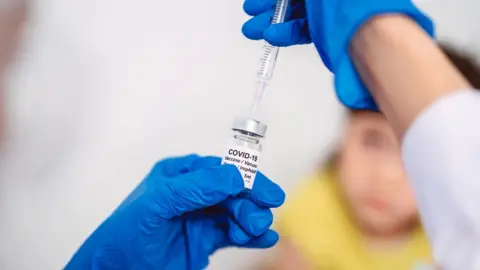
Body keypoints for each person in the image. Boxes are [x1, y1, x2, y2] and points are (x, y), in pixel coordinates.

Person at [260, 44, 480, 270]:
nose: (386, 175)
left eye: (417, 154)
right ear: (345, 130)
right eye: (373, 140)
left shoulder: (457, 233)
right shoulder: (311, 209)